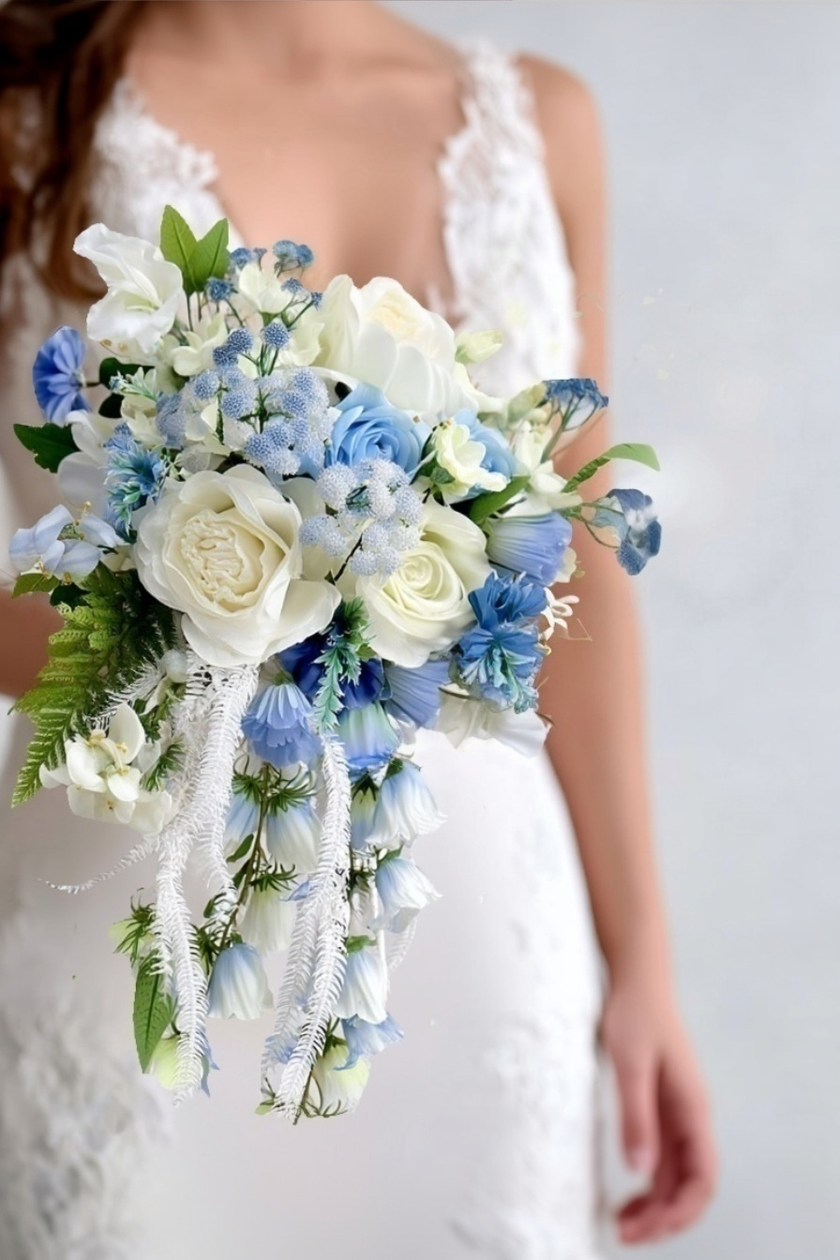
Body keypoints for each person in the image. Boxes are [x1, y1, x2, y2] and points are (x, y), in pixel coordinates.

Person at [0, 2, 716, 1256]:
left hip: (472, 923)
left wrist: (642, 960)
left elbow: (580, 571)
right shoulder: (23, 113)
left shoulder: (537, 120)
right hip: (135, 919)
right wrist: (191, 604)